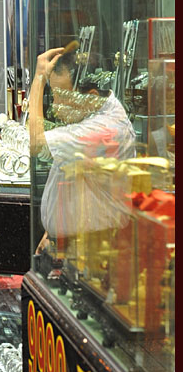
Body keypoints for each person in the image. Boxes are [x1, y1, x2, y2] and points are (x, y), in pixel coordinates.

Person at [28, 45, 136, 255]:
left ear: (92, 96)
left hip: (91, 252)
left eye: (62, 97)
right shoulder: (95, 116)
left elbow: (36, 144)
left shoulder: (106, 130)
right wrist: (52, 233)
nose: (55, 107)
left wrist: (39, 79)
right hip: (70, 244)